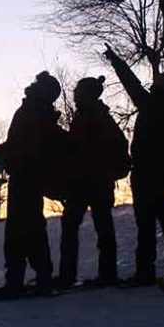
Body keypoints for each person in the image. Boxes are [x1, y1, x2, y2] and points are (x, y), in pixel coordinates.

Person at [103, 46, 164, 285]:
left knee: (149, 225)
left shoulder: (153, 103)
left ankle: (147, 271)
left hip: (148, 173)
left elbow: (132, 84)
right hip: (161, 174)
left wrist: (118, 62)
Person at [0, 71, 67, 299]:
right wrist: (5, 151)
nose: (32, 84)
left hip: (26, 176)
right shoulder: (35, 110)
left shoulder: (34, 111)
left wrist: (3, 152)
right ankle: (38, 278)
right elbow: (23, 144)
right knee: (31, 228)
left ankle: (20, 281)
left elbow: (26, 147)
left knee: (21, 230)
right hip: (27, 176)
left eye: (38, 83)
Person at [57, 76, 129, 289]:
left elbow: (82, 149)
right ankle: (101, 274)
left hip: (90, 181)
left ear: (87, 93)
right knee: (97, 225)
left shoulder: (94, 116)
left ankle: (73, 276)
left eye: (79, 90)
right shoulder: (91, 114)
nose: (75, 93)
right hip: (91, 181)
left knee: (83, 226)